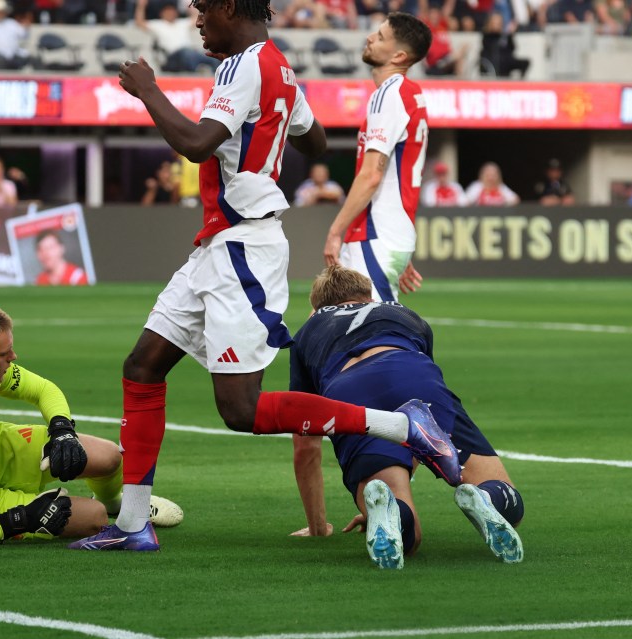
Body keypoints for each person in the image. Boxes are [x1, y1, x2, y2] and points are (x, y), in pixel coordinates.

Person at [69, 0, 459, 552]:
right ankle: (134, 525)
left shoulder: (244, 64)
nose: (198, 21)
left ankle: (403, 427)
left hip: (243, 250)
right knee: (142, 366)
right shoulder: (278, 68)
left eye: (204, 10)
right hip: (217, 246)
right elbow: (316, 140)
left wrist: (147, 90)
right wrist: (276, 123)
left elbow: (197, 143)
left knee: (241, 410)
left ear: (232, 7)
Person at [0, 301, 183, 546]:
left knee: (108, 458)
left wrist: (61, 430)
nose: (13, 358)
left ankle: (117, 503)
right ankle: (100, 510)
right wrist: (20, 518)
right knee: (93, 518)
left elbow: (43, 390)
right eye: (4, 354)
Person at [290, 265, 524, 569]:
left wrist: (318, 527)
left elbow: (305, 445)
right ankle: (487, 499)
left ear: (317, 306)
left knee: (409, 538)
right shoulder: (405, 313)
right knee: (506, 497)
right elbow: (416, 426)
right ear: (369, 295)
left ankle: (390, 511)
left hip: (348, 391)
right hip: (410, 372)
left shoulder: (309, 330)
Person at [324, 12, 432, 303]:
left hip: (374, 233)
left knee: (374, 335)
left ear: (398, 55)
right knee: (322, 327)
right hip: (386, 233)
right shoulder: (411, 93)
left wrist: (336, 230)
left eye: (381, 36)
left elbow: (372, 175)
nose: (370, 37)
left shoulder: (390, 94)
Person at [135, 0, 219, 73]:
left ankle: (217, 80)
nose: (170, 13)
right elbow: (140, 22)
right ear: (162, 13)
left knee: (213, 57)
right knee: (187, 54)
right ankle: (194, 74)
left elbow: (197, 18)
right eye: (168, 11)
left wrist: (190, 5)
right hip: (172, 57)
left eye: (172, 11)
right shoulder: (158, 24)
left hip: (189, 53)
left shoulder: (182, 23)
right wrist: (141, 6)